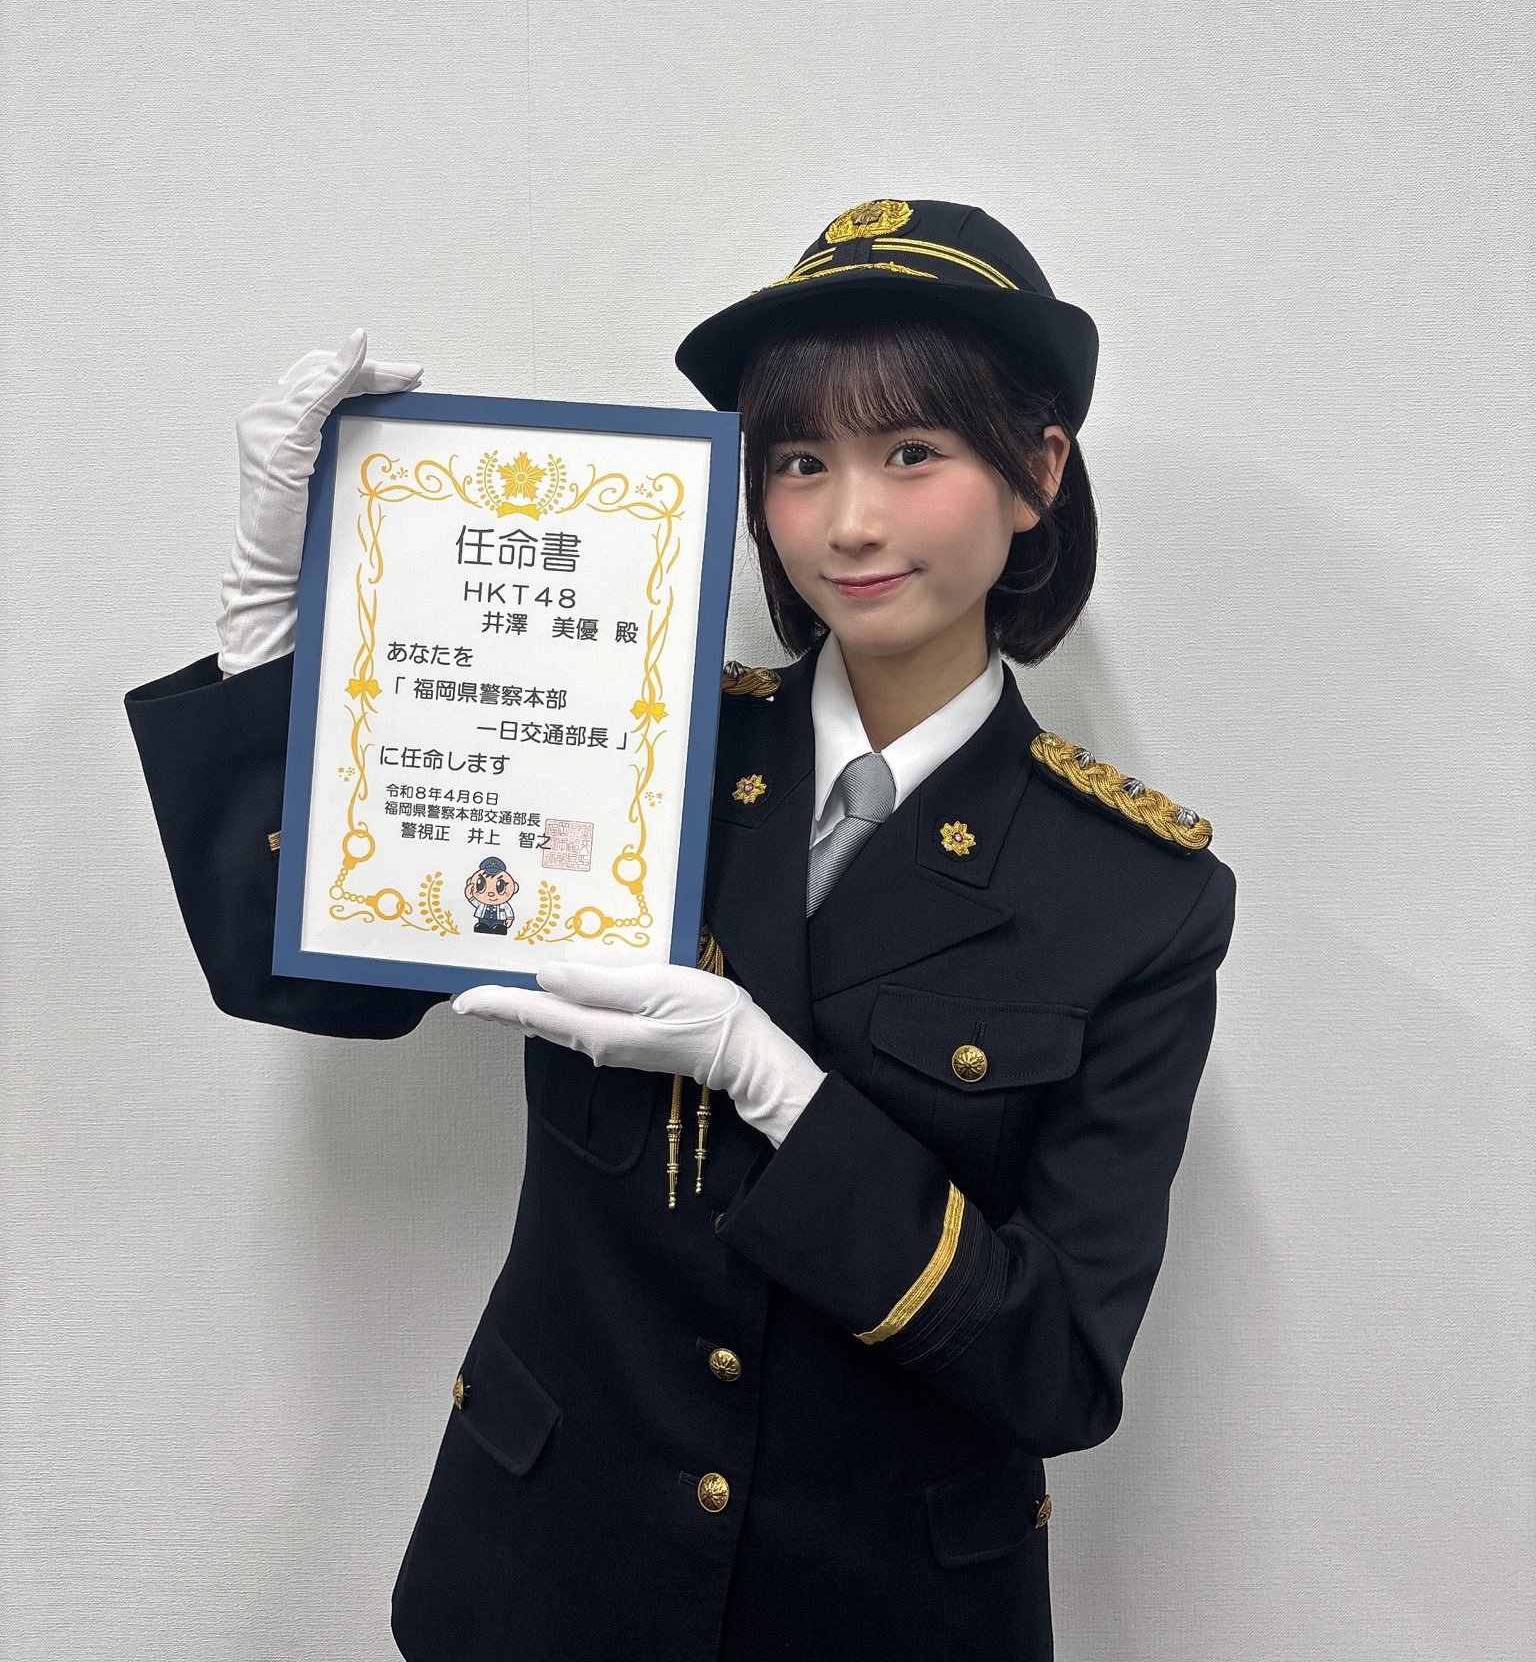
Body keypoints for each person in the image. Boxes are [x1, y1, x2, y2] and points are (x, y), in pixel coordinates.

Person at [124, 197, 1237, 1662]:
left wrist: (785, 1093)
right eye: (801, 461)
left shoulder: (1136, 895)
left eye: (914, 452)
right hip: (548, 1570)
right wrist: (276, 619)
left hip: (880, 1613)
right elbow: (308, 971)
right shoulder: (635, 750)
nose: (850, 520)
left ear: (1037, 471)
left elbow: (1060, 1369)